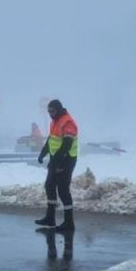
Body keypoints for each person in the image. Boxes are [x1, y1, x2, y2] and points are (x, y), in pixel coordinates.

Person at [35, 99, 79, 232]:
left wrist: (58, 162)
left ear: (59, 109)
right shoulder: (55, 121)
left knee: (63, 190)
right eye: (48, 111)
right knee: (49, 185)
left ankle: (69, 222)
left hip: (66, 159)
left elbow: (66, 145)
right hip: (56, 159)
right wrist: (43, 153)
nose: (50, 114)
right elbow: (51, 139)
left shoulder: (68, 122)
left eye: (52, 111)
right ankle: (50, 217)